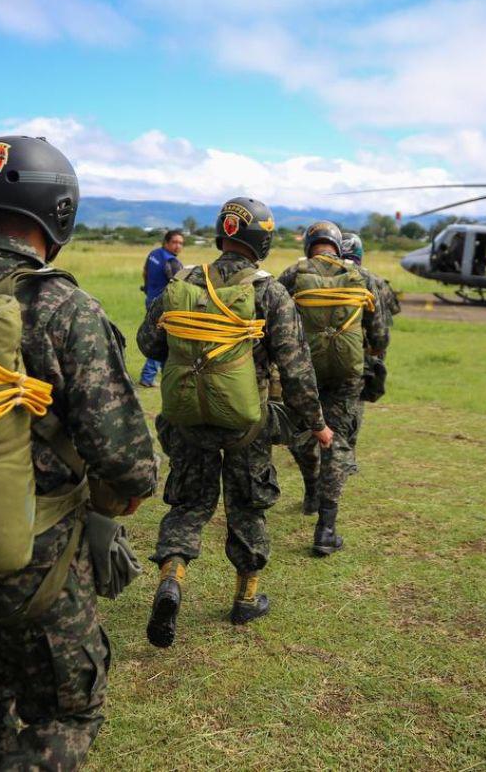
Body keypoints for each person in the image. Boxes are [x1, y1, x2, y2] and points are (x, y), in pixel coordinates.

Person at [0, 136, 158, 769]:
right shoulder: (63, 307)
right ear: (61, 211)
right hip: (35, 556)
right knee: (65, 712)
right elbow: (128, 462)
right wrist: (115, 499)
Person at [137, 197, 332, 647]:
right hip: (249, 424)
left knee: (188, 505)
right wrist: (317, 425)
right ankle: (246, 598)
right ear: (261, 242)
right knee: (247, 506)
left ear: (221, 235)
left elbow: (150, 343)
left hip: (188, 420)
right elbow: (297, 369)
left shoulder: (184, 280)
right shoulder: (269, 292)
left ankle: (173, 576)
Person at [280, 221, 389, 552]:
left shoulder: (292, 275)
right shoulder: (363, 277)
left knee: (301, 433)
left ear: (309, 246)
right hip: (346, 378)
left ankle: (312, 487)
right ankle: (326, 529)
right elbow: (380, 336)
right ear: (338, 246)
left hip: (302, 374)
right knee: (336, 444)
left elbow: (274, 321)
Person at [138, 229, 185, 387]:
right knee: (160, 340)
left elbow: (145, 272)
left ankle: (165, 375)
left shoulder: (154, 254)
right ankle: (147, 377)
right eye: (174, 242)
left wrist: (148, 288)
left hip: (150, 299)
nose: (178, 246)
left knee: (161, 339)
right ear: (166, 242)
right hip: (162, 306)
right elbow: (179, 286)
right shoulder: (172, 262)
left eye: (180, 243)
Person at [340, 231, 401, 323]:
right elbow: (394, 309)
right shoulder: (375, 281)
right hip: (365, 334)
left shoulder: (323, 278)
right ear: (359, 253)